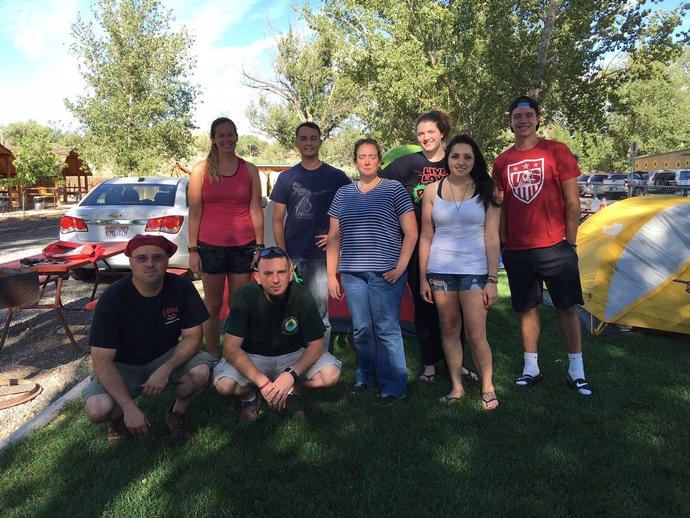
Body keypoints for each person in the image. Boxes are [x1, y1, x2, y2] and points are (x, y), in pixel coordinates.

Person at [492, 95, 592, 396]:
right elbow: (501, 207)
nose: (522, 121)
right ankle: (531, 368)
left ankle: (576, 371)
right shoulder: (502, 161)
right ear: (510, 122)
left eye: (528, 115)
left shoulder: (556, 151)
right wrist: (503, 243)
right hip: (518, 249)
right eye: (517, 116)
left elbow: (573, 202)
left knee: (566, 307)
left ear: (537, 118)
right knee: (527, 309)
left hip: (555, 245)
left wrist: (570, 241)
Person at [83, 235, 214, 443]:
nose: (150, 264)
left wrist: (165, 369)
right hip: (122, 364)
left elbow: (193, 337)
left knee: (200, 372)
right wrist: (129, 408)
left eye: (157, 258)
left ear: (167, 260)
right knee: (98, 409)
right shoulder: (112, 299)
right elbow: (101, 359)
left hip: (164, 356)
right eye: (142, 258)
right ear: (131, 262)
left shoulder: (182, 287)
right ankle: (118, 419)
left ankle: (177, 413)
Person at [381, 110, 476, 384]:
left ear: (442, 133)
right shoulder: (405, 165)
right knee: (425, 305)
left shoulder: (455, 161)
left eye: (431, 132)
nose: (425, 138)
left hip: (452, 248)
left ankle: (455, 362)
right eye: (421, 134)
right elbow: (379, 188)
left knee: (454, 309)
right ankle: (429, 364)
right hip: (416, 246)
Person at [327, 138, 418, 406]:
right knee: (361, 330)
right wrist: (333, 274)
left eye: (372, 156)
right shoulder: (343, 193)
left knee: (387, 329)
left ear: (379, 161)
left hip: (386, 273)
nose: (366, 161)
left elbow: (411, 232)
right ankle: (365, 376)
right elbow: (333, 237)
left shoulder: (394, 190)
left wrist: (400, 266)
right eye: (361, 156)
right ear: (355, 161)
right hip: (353, 274)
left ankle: (394, 384)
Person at [213, 247, 341, 425]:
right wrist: (263, 383)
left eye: (281, 272)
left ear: (290, 274)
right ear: (258, 277)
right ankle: (251, 397)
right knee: (225, 385)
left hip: (291, 355)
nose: (275, 279)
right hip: (253, 357)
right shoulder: (244, 296)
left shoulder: (302, 295)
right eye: (268, 273)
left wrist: (291, 375)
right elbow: (230, 348)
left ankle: (291, 392)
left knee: (331, 374)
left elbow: (317, 344)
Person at [419, 134, 501, 410]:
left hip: (474, 272)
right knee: (449, 329)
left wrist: (492, 280)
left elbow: (492, 237)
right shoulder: (432, 191)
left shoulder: (487, 190)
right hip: (440, 271)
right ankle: (457, 387)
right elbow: (425, 237)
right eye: (455, 156)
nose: (461, 161)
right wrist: (422, 277)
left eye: (467, 156)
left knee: (476, 335)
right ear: (448, 159)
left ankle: (488, 387)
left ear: (475, 160)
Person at [270, 122, 351, 351]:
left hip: (321, 257)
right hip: (293, 256)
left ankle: (319, 362)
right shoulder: (286, 178)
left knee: (319, 314)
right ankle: (291, 357)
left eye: (313, 138)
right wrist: (282, 255)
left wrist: (337, 236)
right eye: (303, 139)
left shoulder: (336, 177)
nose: (308, 143)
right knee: (290, 312)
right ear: (296, 143)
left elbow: (352, 210)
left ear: (320, 141)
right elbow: (277, 219)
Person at [188, 117, 264, 359]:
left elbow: (255, 210)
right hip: (210, 247)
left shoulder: (250, 170)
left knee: (238, 305)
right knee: (211, 305)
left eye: (230, 134)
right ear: (213, 139)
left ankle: (235, 354)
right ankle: (212, 356)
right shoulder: (201, 170)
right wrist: (192, 250)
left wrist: (260, 245)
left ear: (237, 137)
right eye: (221, 135)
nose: (226, 139)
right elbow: (195, 211)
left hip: (244, 245)